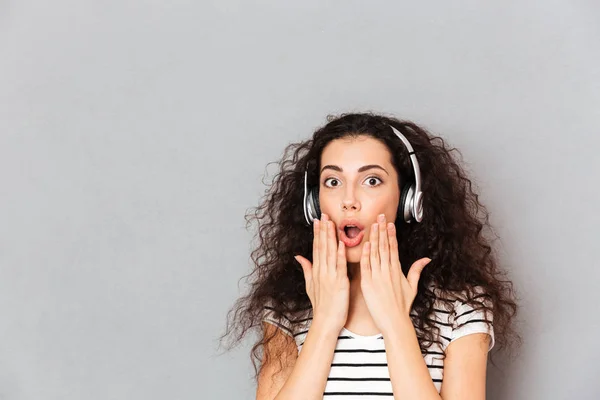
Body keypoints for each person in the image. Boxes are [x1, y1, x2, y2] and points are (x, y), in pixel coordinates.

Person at [218, 112, 520, 399]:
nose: (349, 201)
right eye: (333, 182)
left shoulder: (461, 307)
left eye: (372, 180)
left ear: (407, 199)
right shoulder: (287, 307)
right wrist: (325, 321)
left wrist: (395, 322)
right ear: (313, 203)